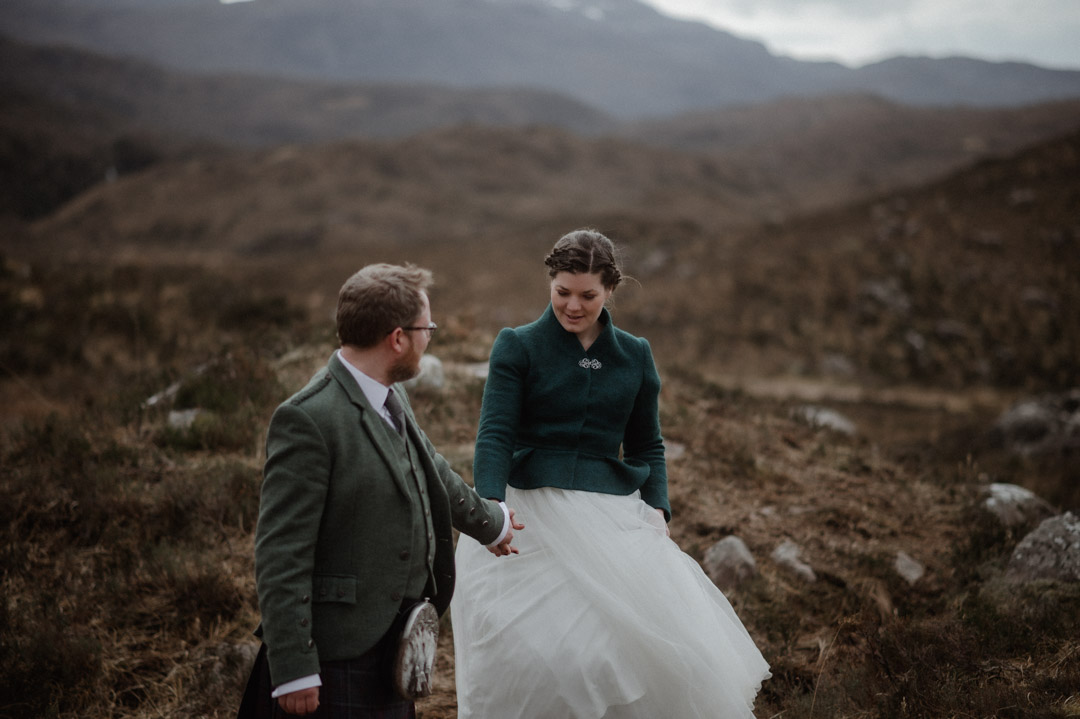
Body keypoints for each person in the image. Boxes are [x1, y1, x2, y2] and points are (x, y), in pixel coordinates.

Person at [451, 229, 770, 718]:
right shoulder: (517, 346)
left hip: (612, 518)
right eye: (562, 292)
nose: (573, 306)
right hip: (528, 513)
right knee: (535, 654)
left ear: (610, 291)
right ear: (550, 284)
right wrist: (492, 504)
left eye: (587, 296)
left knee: (621, 653)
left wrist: (658, 507)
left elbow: (647, 444)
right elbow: (495, 434)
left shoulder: (635, 356)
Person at [248, 263, 523, 718]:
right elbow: (280, 552)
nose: (429, 336)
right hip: (337, 656)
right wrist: (295, 668)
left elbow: (432, 469)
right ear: (397, 338)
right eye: (426, 327)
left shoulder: (389, 395)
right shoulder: (309, 419)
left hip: (394, 648)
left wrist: (492, 523)